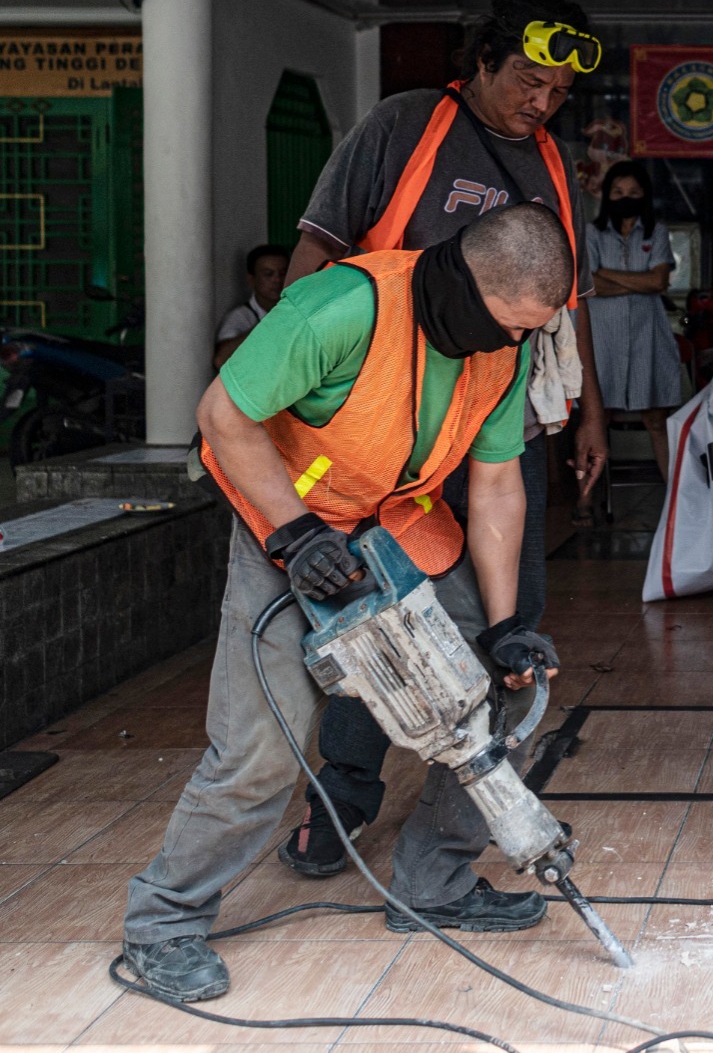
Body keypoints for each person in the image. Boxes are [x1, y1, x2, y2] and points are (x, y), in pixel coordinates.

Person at [119, 204, 572, 1003]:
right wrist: (294, 537)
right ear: (463, 284)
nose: (513, 344)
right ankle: (165, 921)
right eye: (506, 326)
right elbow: (222, 414)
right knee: (261, 747)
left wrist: (504, 627)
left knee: (505, 693)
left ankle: (433, 880)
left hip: (397, 525)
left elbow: (498, 485)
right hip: (287, 524)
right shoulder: (339, 308)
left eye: (526, 332)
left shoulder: (504, 350)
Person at [273, 0, 608, 877]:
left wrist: (586, 416)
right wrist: (287, 398)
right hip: (389, 424)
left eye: (559, 93)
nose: (541, 103)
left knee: (510, 624)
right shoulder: (405, 127)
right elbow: (315, 256)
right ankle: (342, 794)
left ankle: (450, 836)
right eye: (529, 80)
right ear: (484, 61)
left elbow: (563, 313)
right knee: (372, 613)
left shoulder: (552, 166)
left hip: (498, 422)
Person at [574, 161, 687, 522]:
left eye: (634, 193)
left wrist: (604, 274)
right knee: (595, 418)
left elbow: (658, 283)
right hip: (600, 340)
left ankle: (677, 505)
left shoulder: (656, 232)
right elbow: (588, 286)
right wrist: (630, 280)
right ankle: (585, 501)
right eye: (619, 192)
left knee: (657, 420)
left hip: (646, 339)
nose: (626, 198)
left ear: (645, 197)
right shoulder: (590, 233)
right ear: (607, 196)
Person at [213, 245, 288, 369]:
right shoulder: (240, 317)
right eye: (268, 274)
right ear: (252, 280)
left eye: (283, 273)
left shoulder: (300, 312)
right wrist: (269, 322)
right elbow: (221, 360)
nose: (277, 280)